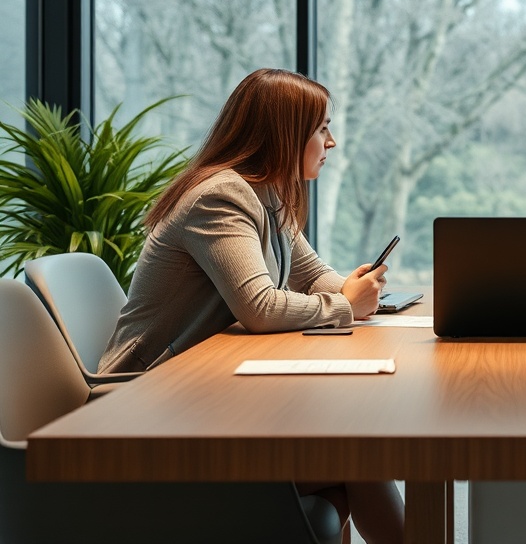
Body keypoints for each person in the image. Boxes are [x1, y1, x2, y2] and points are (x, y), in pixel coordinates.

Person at [99, 68, 403, 544]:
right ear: (286, 135)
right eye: (322, 128)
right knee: (356, 459)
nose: (332, 141)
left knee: (351, 459)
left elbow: (313, 276)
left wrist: (351, 288)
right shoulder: (221, 195)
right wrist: (344, 306)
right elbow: (259, 307)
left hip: (201, 401)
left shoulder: (270, 194)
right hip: (148, 410)